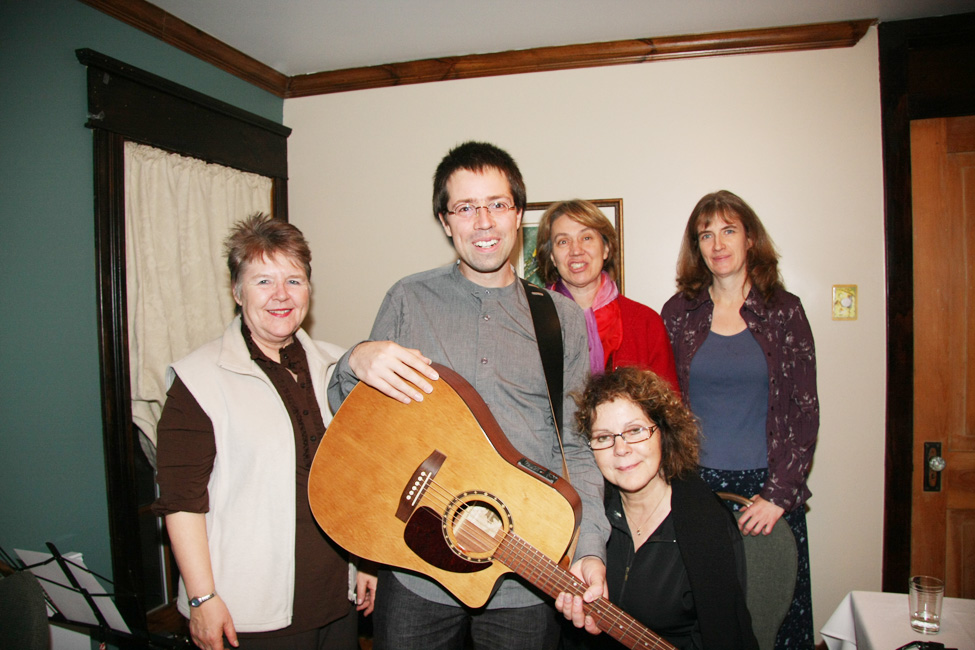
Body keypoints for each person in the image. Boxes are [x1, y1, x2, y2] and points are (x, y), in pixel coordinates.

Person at [327, 141, 610, 650]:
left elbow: (578, 446)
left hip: (523, 576)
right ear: (445, 222)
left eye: (497, 204)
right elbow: (360, 423)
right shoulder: (407, 299)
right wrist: (354, 360)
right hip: (416, 570)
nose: (483, 221)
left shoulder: (562, 319)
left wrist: (590, 547)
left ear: (518, 214)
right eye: (465, 207)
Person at [152, 214, 376, 650]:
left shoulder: (337, 369)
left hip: (337, 599)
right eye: (263, 282)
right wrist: (202, 599)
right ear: (237, 291)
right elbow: (181, 504)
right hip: (249, 613)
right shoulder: (198, 380)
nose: (281, 296)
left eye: (294, 280)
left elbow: (357, 478)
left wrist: (366, 561)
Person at [660, 190, 818, 649]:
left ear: (750, 239)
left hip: (767, 491)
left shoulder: (784, 312)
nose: (717, 244)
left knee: (772, 620)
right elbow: (666, 408)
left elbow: (804, 412)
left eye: (728, 230)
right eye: (705, 234)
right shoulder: (679, 314)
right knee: (705, 620)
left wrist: (778, 496)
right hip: (695, 488)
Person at [557, 367, 758, 650]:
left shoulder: (707, 524)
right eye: (604, 437)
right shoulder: (587, 518)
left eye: (635, 431)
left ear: (662, 432)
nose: (621, 449)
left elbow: (724, 635)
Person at [534, 199, 679, 389]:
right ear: (552, 256)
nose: (576, 250)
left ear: (606, 249)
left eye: (586, 238)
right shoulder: (529, 323)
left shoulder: (646, 323)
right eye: (563, 241)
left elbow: (668, 410)